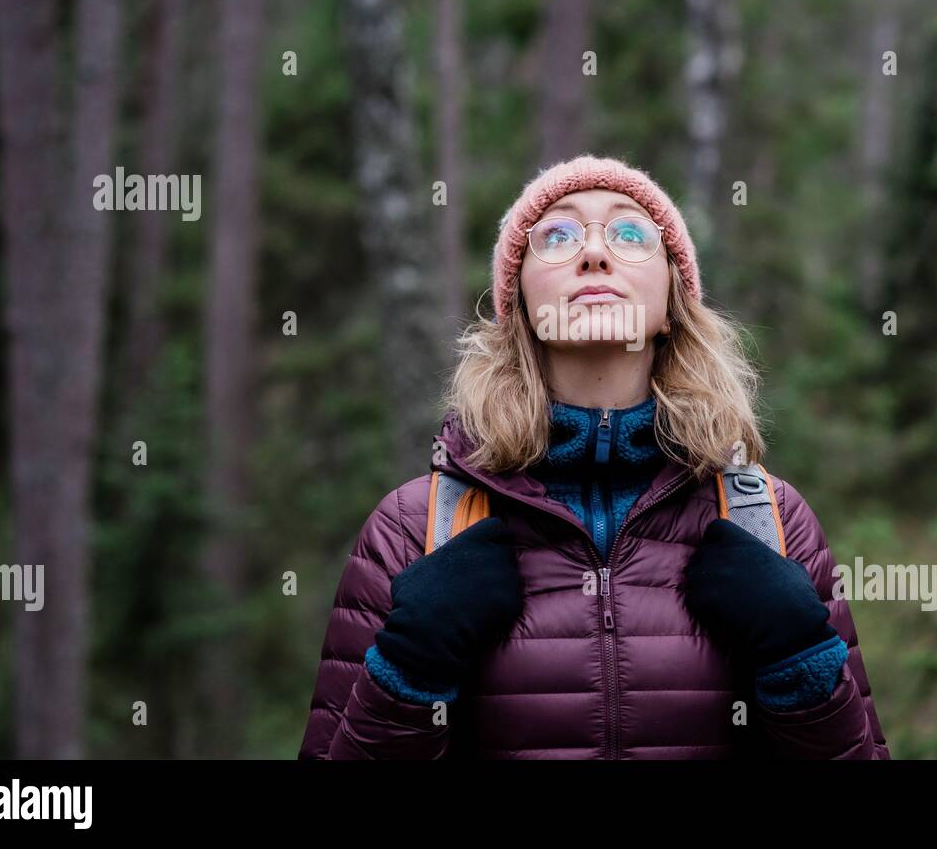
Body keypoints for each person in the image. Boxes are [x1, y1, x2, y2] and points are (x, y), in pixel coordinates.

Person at [298, 154, 890, 759]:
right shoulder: (414, 529)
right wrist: (408, 673)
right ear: (521, 303)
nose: (595, 254)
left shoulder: (769, 521)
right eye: (556, 235)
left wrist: (800, 666)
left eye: (631, 233)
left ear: (671, 304)